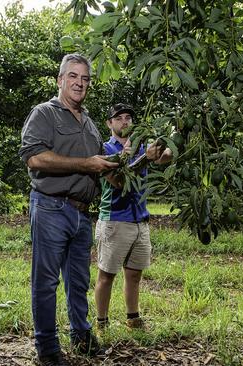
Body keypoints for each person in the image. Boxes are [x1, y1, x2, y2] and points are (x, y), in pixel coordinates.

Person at [18, 54, 119, 366]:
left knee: (78, 281)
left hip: (81, 213)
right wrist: (85, 163)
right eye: (73, 76)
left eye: (85, 79)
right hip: (50, 207)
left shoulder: (89, 125)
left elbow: (104, 171)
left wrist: (138, 161)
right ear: (60, 80)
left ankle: (81, 335)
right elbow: (34, 158)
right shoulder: (45, 113)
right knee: (46, 281)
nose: (79, 83)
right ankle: (47, 348)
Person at [94, 103, 172, 331]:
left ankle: (133, 318)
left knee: (134, 274)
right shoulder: (105, 150)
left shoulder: (141, 148)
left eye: (128, 117)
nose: (125, 121)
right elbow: (118, 180)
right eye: (119, 118)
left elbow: (165, 156)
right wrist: (145, 158)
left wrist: (174, 138)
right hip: (114, 220)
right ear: (109, 123)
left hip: (140, 220)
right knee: (107, 274)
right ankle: (102, 322)